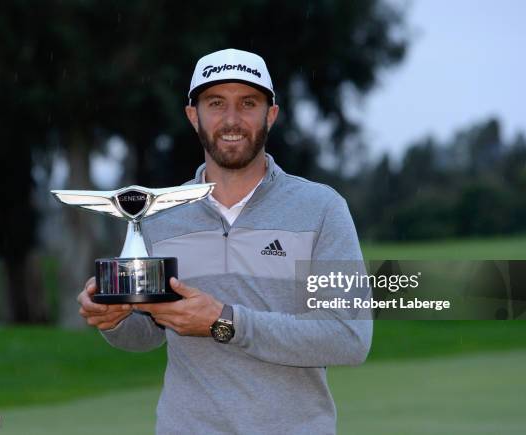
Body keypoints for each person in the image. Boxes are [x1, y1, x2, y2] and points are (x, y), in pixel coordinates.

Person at [77, 48, 372, 435]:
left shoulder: (322, 209)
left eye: (247, 103)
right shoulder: (158, 214)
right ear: (193, 116)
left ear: (271, 115)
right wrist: (113, 320)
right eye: (216, 103)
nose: (232, 120)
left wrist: (225, 321)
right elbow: (145, 334)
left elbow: (348, 337)